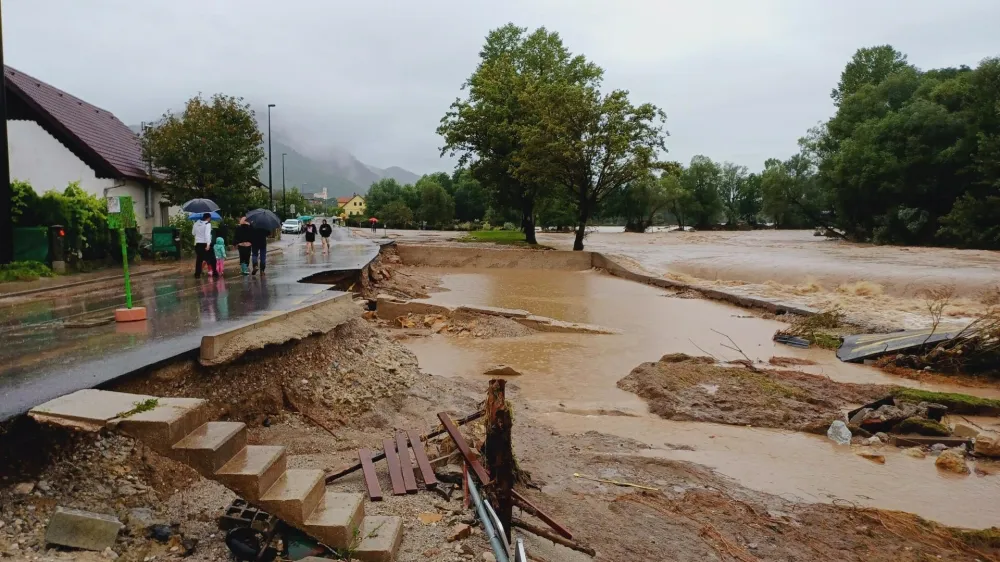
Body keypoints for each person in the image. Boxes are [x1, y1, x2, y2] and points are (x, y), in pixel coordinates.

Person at [192, 212, 215, 278]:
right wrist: (208, 244)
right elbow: (207, 235)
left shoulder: (195, 223)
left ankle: (197, 274)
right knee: (211, 258)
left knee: (199, 259)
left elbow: (193, 233)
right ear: (209, 218)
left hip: (197, 244)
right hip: (204, 244)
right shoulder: (208, 224)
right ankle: (214, 272)